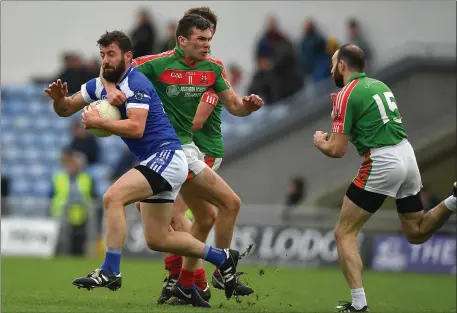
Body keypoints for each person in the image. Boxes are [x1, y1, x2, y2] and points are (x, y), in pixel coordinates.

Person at [44, 30, 242, 306]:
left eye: (111, 54)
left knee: (113, 197)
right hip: (155, 161)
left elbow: (136, 128)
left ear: (127, 56)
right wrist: (58, 100)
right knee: (158, 238)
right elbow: (67, 108)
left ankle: (110, 270)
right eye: (102, 55)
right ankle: (222, 258)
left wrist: (101, 123)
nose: (106, 60)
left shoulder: (136, 82)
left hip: (167, 156)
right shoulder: (100, 86)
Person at [103, 14, 263, 306]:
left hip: (192, 152)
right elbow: (115, 69)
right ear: (182, 40)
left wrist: (247, 108)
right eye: (201, 39)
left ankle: (192, 278)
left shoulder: (213, 69)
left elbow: (235, 107)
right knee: (193, 216)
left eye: (209, 39)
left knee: (205, 214)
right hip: (172, 150)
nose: (207, 45)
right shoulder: (158, 63)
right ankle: (198, 277)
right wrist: (111, 89)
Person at [313, 44, 457, 312]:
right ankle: (454, 201)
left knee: (344, 233)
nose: (332, 68)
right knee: (415, 232)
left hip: (381, 161)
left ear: (342, 65)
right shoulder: (379, 85)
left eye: (334, 62)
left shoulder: (347, 93)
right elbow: (371, 121)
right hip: (406, 154)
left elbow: (337, 149)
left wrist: (320, 141)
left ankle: (359, 306)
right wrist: (338, 116)